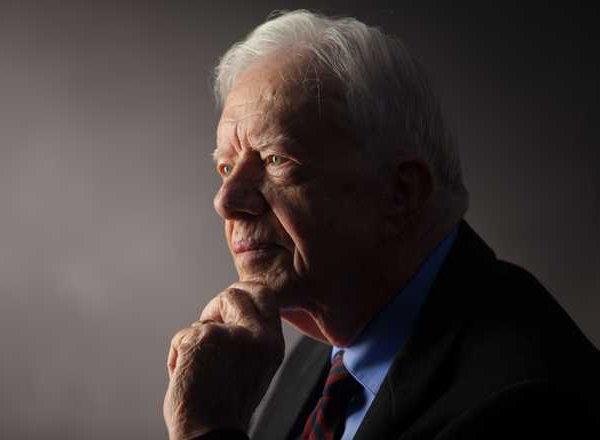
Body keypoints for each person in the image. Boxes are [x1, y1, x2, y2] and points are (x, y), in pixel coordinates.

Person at [163, 10, 599, 440]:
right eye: (225, 168)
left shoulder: (526, 404)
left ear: (400, 194)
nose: (227, 202)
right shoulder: (322, 342)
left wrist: (208, 430)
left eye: (276, 160)